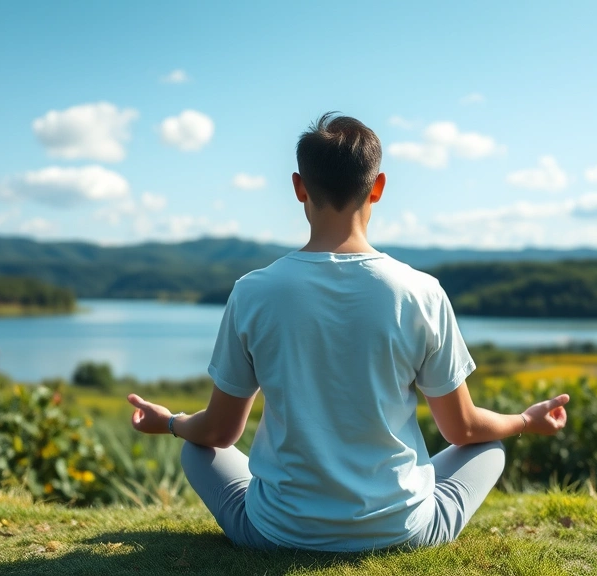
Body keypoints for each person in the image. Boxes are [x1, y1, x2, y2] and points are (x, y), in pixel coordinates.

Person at [127, 113, 570, 552]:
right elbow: (464, 429)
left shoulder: (253, 292)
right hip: (402, 529)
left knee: (194, 447)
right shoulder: (421, 292)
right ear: (377, 186)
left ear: (299, 187)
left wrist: (169, 421)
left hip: (279, 531)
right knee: (490, 447)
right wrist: (526, 421)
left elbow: (220, 433)